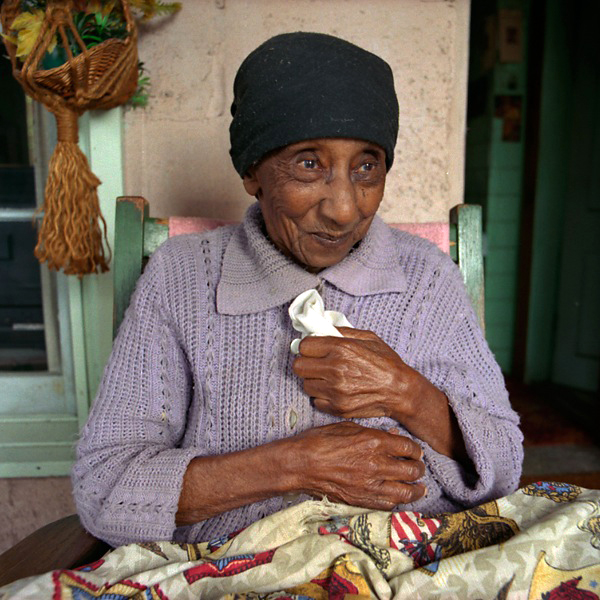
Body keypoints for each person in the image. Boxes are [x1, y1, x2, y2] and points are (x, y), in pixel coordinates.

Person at [72, 32, 523, 548]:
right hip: (226, 574)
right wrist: (296, 464)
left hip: (407, 568)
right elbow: (105, 488)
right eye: (309, 164)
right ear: (252, 173)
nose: (345, 208)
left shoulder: (427, 277)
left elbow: (505, 464)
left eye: (367, 167)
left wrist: (407, 393)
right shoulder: (183, 275)